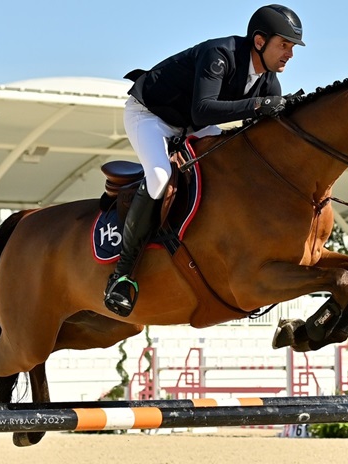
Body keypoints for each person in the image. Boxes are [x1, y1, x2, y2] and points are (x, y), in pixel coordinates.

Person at [103, 4, 304, 317]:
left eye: (292, 48)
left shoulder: (268, 81)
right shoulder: (219, 55)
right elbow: (204, 110)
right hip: (151, 115)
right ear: (260, 42)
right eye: (284, 45)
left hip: (190, 125)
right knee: (159, 177)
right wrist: (262, 104)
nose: (289, 54)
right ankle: (122, 275)